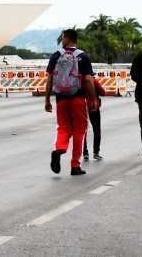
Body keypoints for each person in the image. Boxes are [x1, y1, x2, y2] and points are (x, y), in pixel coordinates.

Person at [44, 29, 98, 177]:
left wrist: (47, 99)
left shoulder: (56, 56)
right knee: (80, 130)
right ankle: (75, 165)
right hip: (78, 98)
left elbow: (50, 80)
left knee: (63, 128)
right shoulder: (82, 56)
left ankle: (59, 149)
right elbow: (87, 80)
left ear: (68, 38)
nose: (62, 40)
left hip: (60, 98)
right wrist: (93, 99)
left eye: (63, 38)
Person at [82, 74, 104, 162]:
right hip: (93, 107)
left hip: (82, 107)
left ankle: (85, 153)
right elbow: (103, 92)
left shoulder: (79, 82)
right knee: (96, 130)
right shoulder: (93, 81)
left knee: (83, 131)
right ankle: (96, 152)